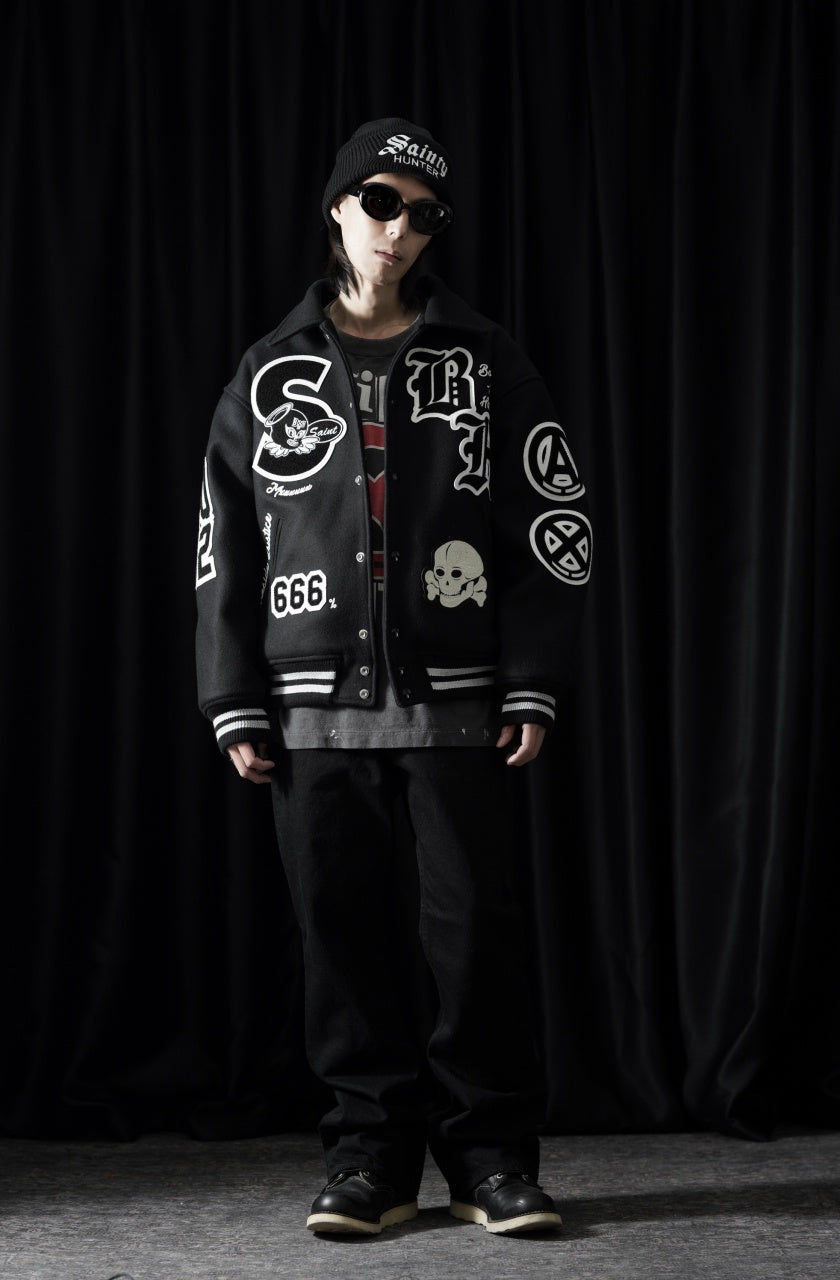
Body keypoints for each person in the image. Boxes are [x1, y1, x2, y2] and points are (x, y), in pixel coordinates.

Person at [195, 116, 592, 1237]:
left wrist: (532, 675)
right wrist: (230, 692)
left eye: (423, 214)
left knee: (475, 942)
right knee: (343, 943)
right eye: (380, 202)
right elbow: (221, 541)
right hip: (309, 708)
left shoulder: (486, 358)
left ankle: (492, 1159)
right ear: (336, 208)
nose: (400, 228)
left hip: (459, 705)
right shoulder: (268, 370)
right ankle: (370, 1159)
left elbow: (550, 520)